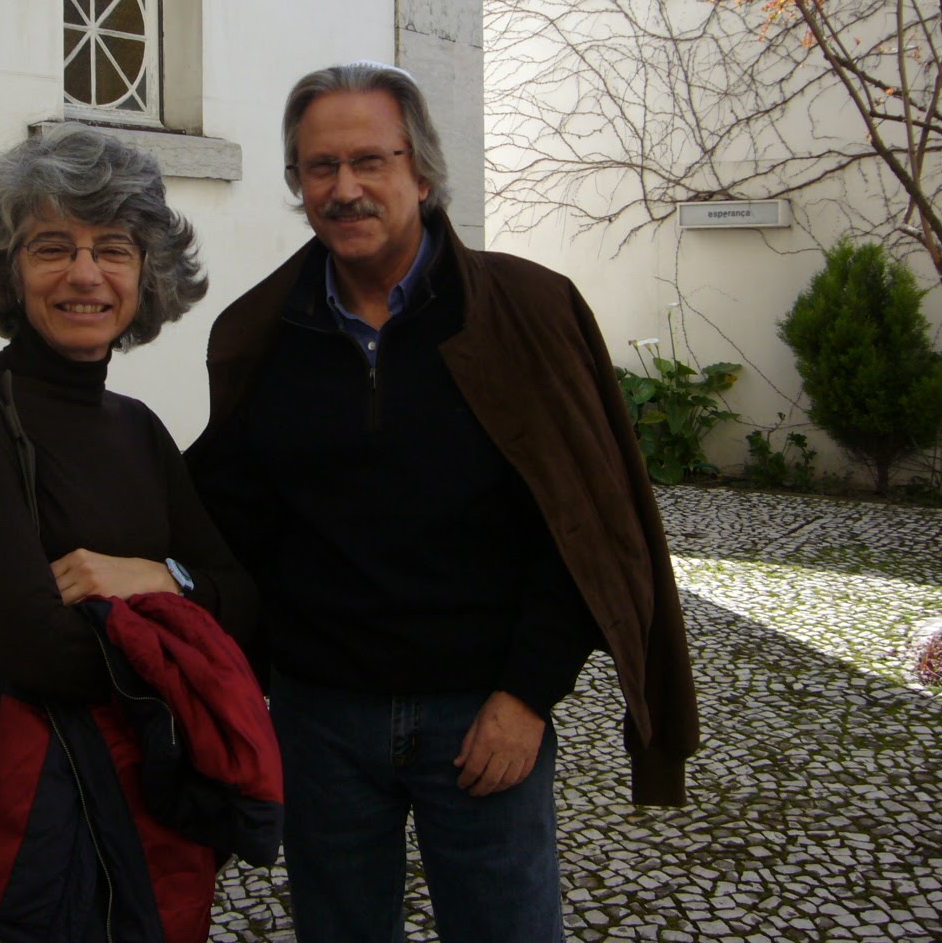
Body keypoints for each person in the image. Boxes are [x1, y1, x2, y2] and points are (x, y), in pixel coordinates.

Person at [187, 61, 699, 943]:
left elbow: (584, 523)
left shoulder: (522, 313)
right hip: (322, 720)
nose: (344, 188)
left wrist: (528, 694)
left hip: (482, 715)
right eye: (319, 167)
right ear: (298, 183)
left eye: (370, 161)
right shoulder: (264, 330)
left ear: (422, 173)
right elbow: (230, 522)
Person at [0, 128, 269, 943]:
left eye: (113, 249)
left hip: (149, 803)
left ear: (147, 273)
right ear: (9, 270)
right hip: (20, 811)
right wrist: (191, 641)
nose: (84, 274)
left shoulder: (137, 427)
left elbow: (243, 601)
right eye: (52, 248)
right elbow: (39, 652)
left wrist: (161, 578)